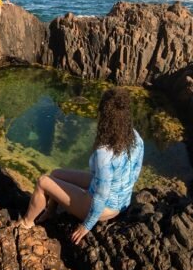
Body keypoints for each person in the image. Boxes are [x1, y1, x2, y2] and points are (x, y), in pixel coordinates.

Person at [16, 87, 145, 245]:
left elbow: (101, 196)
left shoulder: (104, 153)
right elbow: (135, 174)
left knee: (43, 182)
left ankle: (26, 223)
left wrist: (87, 225)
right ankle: (50, 212)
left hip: (104, 208)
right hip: (123, 201)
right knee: (56, 174)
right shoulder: (136, 137)